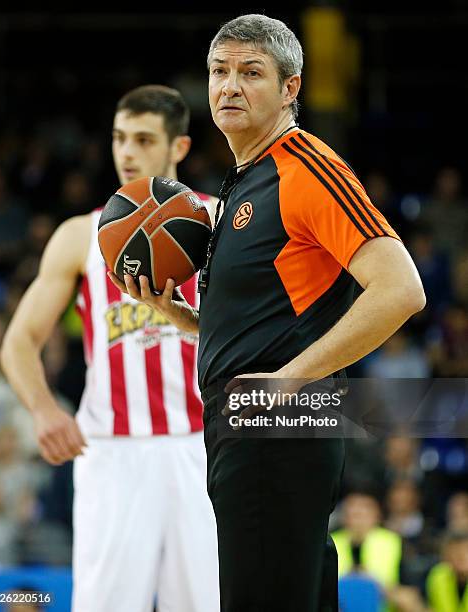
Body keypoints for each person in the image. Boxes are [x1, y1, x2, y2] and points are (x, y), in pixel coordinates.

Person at [110, 15, 425, 611]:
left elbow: (401, 289)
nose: (229, 86)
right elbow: (275, 320)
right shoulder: (244, 179)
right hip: (255, 424)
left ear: (290, 89)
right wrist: (185, 321)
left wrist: (289, 380)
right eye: (219, 71)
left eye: (250, 72)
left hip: (275, 425)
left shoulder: (303, 166)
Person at [0, 85, 220, 612]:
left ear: (179, 149)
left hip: (205, 444)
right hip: (114, 450)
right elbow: (18, 342)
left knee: (209, 603)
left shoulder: (220, 225)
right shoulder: (80, 235)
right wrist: (44, 409)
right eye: (120, 138)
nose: (126, 152)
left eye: (143, 139)